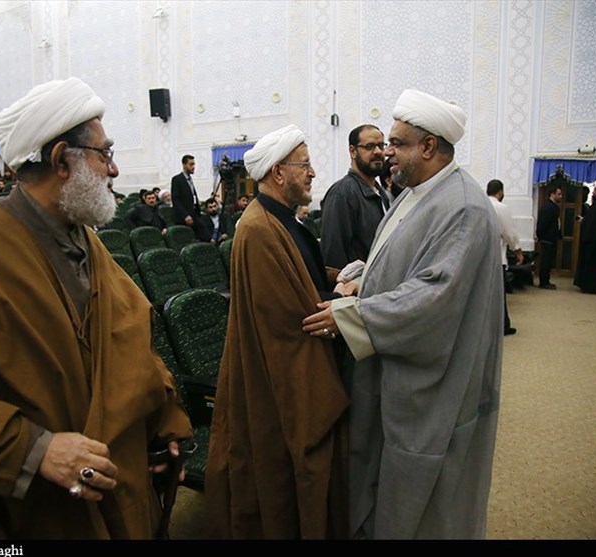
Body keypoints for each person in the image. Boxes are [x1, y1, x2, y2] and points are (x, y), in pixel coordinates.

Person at [0, 77, 193, 539]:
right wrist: (36, 450)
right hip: (32, 511)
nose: (113, 169)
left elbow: (134, 352)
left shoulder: (87, 242)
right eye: (104, 154)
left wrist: (163, 424)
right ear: (61, 161)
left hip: (113, 485)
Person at [303, 90, 502, 539]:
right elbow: (402, 257)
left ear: (428, 147)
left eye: (396, 143)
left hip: (437, 382)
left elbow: (433, 296)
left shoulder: (463, 206)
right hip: (396, 370)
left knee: (427, 495)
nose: (387, 152)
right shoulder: (416, 194)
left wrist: (350, 317)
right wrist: (364, 275)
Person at [206, 124, 349, 540]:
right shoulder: (257, 229)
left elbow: (301, 275)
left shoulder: (283, 220)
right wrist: (340, 298)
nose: (312, 172)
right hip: (284, 380)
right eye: (305, 165)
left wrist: (337, 277)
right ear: (278, 172)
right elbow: (292, 318)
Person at [320, 124, 391, 269]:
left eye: (380, 146)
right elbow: (333, 255)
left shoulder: (380, 192)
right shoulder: (342, 194)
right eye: (370, 146)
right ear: (353, 151)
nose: (378, 152)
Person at [487, 179, 524, 334]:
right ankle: (503, 326)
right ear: (500, 192)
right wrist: (518, 252)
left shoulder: (480, 204)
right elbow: (510, 233)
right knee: (498, 295)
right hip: (497, 259)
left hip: (480, 257)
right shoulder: (501, 208)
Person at [171, 155, 208, 241]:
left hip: (194, 214)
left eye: (194, 164)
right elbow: (176, 200)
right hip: (185, 217)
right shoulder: (177, 179)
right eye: (191, 164)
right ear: (184, 165)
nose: (193, 167)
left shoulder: (190, 179)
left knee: (206, 236)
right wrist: (185, 215)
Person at [536, 185, 563, 289]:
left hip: (551, 238)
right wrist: (540, 236)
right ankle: (544, 282)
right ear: (552, 194)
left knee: (549, 261)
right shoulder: (548, 207)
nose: (561, 196)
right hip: (547, 239)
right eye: (559, 194)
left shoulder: (553, 206)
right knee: (546, 261)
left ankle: (546, 280)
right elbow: (543, 224)